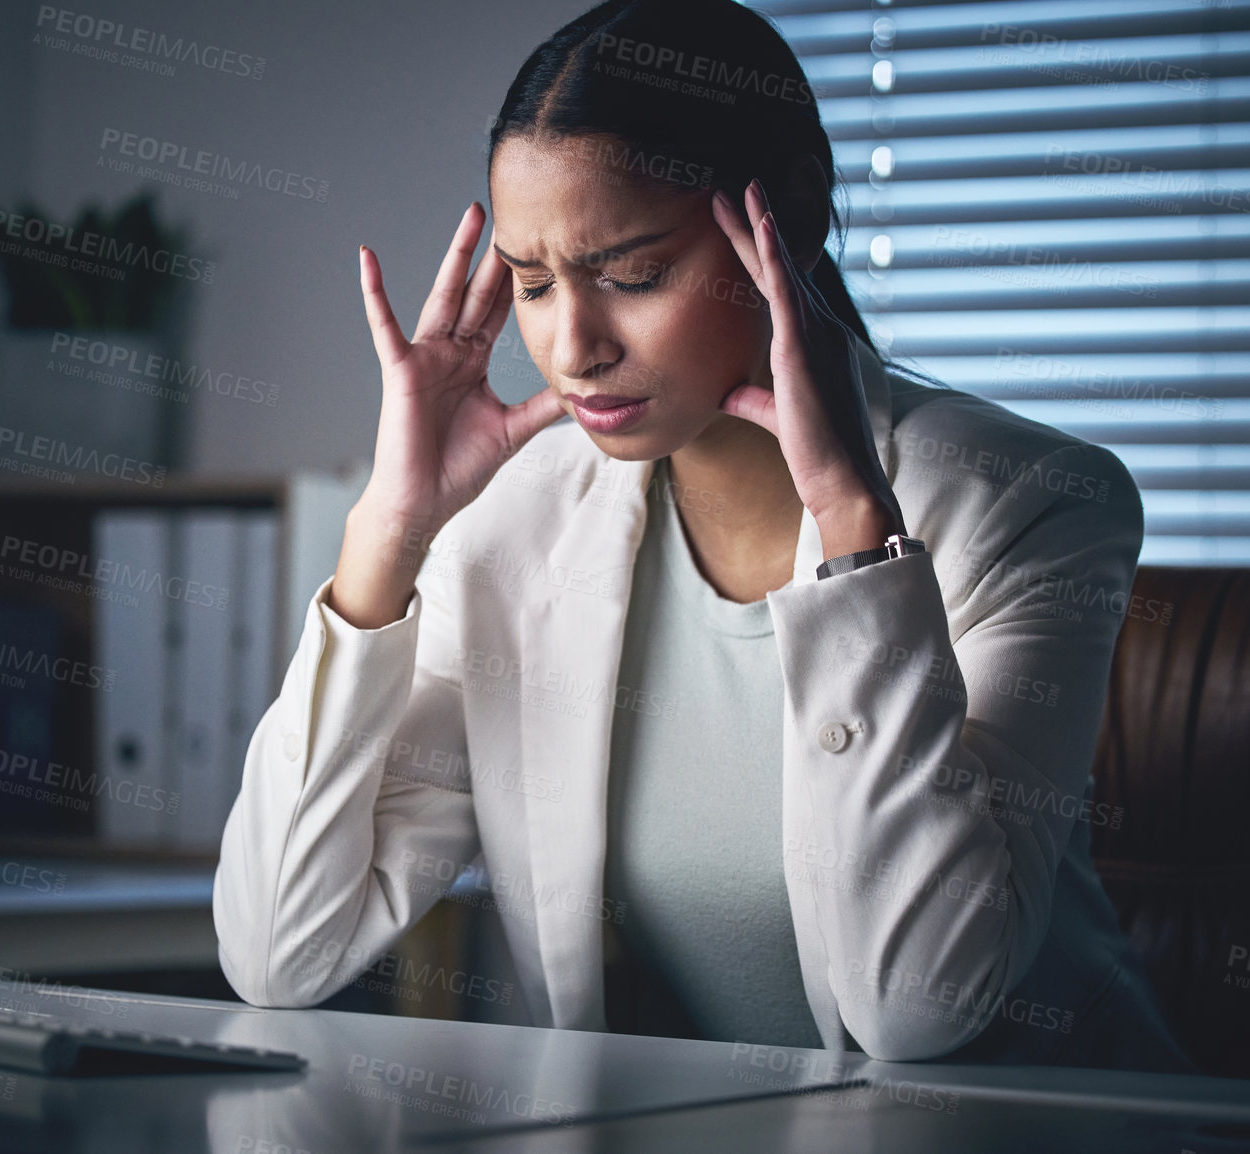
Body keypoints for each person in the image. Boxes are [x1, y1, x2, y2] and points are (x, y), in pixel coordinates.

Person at [213, 0, 1191, 1070]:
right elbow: (276, 952)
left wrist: (859, 539)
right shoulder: (511, 522)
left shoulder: (1035, 501)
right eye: (534, 283)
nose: (573, 346)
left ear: (791, 220)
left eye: (632, 274)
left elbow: (921, 1007)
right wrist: (387, 536)